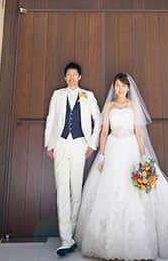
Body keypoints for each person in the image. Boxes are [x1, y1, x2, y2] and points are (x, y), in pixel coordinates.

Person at [75, 73, 168, 260]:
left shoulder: (134, 106)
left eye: (124, 86)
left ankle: (138, 243)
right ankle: (110, 243)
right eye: (117, 85)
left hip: (131, 148)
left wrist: (142, 158)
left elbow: (139, 134)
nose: (120, 89)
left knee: (135, 191)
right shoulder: (108, 106)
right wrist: (101, 156)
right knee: (111, 191)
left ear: (128, 88)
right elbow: (103, 133)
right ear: (114, 87)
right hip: (113, 147)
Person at [44, 62, 102, 257]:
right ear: (64, 77)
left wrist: (92, 145)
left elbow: (99, 119)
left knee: (76, 191)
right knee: (62, 190)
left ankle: (74, 232)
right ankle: (65, 239)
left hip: (79, 146)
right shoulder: (57, 95)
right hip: (60, 144)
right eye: (68, 74)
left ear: (80, 77)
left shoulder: (88, 96)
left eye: (74, 74)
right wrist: (49, 144)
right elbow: (51, 118)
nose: (71, 77)